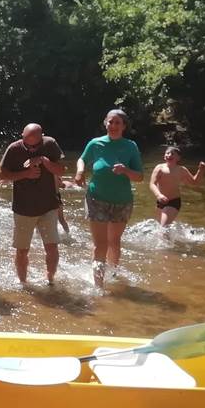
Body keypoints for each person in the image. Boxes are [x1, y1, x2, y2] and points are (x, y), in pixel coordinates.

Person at [74, 109, 143, 288]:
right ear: (105, 123)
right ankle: (98, 285)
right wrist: (80, 171)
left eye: (117, 123)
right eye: (110, 122)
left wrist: (126, 170)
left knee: (114, 241)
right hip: (96, 198)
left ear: (124, 126)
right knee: (101, 244)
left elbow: (139, 176)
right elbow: (82, 159)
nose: (113, 126)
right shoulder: (95, 144)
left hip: (122, 200)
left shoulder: (131, 146)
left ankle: (112, 274)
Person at [0, 123, 65, 285]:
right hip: (23, 208)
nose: (32, 148)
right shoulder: (14, 149)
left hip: (48, 206)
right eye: (29, 144)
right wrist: (25, 174)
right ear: (22, 136)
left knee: (52, 247)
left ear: (42, 137)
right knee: (22, 250)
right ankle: (23, 283)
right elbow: (1, 176)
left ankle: (50, 279)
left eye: (36, 145)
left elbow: (61, 170)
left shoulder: (50, 144)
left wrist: (43, 160)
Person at [149, 146, 205, 227]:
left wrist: (201, 171)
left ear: (178, 158)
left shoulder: (181, 170)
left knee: (164, 227)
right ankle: (176, 237)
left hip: (174, 201)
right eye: (167, 153)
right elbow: (152, 184)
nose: (169, 155)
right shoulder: (159, 168)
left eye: (172, 154)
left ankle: (166, 239)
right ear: (164, 156)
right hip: (160, 201)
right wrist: (158, 195)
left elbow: (194, 182)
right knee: (160, 227)